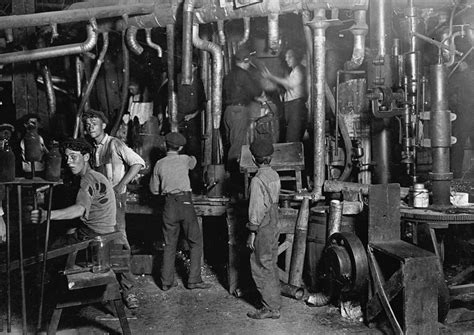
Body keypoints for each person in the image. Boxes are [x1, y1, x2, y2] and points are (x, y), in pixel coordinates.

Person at [82, 109, 145, 309]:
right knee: (101, 243)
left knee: (119, 241)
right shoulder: (93, 148)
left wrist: (120, 186)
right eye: (88, 124)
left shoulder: (114, 144)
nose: (90, 127)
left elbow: (138, 163)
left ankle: (129, 291)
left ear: (104, 126)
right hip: (99, 201)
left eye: (94, 123)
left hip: (115, 200)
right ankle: (108, 293)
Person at [149, 132, 211, 291]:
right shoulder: (185, 160)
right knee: (195, 242)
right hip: (185, 202)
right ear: (181, 147)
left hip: (169, 204)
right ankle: (194, 280)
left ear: (165, 145)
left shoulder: (159, 164)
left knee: (169, 244)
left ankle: (166, 282)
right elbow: (194, 162)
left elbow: (154, 190)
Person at [30, 138, 116, 243]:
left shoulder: (87, 179)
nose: (68, 162)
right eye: (67, 157)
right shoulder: (96, 176)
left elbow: (79, 209)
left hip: (93, 234)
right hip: (104, 231)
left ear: (86, 157)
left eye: (73, 157)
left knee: (50, 247)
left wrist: (46, 215)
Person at [246, 138, 281, 320]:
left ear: (253, 159)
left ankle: (270, 308)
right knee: (271, 262)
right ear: (271, 158)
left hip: (264, 224)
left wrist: (252, 232)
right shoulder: (274, 175)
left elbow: (256, 209)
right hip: (274, 221)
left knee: (260, 264)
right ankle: (275, 303)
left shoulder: (257, 180)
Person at [223, 47, 262, 171]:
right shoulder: (243, 74)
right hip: (239, 112)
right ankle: (233, 179)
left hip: (228, 112)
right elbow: (256, 91)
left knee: (232, 144)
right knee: (237, 147)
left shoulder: (229, 75)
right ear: (246, 61)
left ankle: (231, 175)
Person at [262, 48, 308, 143]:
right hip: (291, 106)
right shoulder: (293, 71)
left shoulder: (300, 70)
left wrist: (271, 77)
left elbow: (289, 84)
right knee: (291, 137)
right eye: (286, 57)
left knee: (292, 139)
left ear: (296, 58)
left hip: (296, 107)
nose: (286, 59)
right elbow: (289, 88)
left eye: (289, 57)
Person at [177, 61, 206, 192]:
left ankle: (194, 185)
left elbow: (203, 104)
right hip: (179, 120)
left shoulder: (198, 83)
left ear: (194, 68)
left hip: (193, 123)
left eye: (191, 66)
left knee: (194, 152)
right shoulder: (178, 79)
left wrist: (193, 115)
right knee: (179, 151)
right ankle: (180, 183)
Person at [0, 123, 15, 244]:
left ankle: (5, 238)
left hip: (7, 183)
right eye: (3, 131)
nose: (6, 133)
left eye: (8, 131)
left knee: (5, 207)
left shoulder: (9, 148)